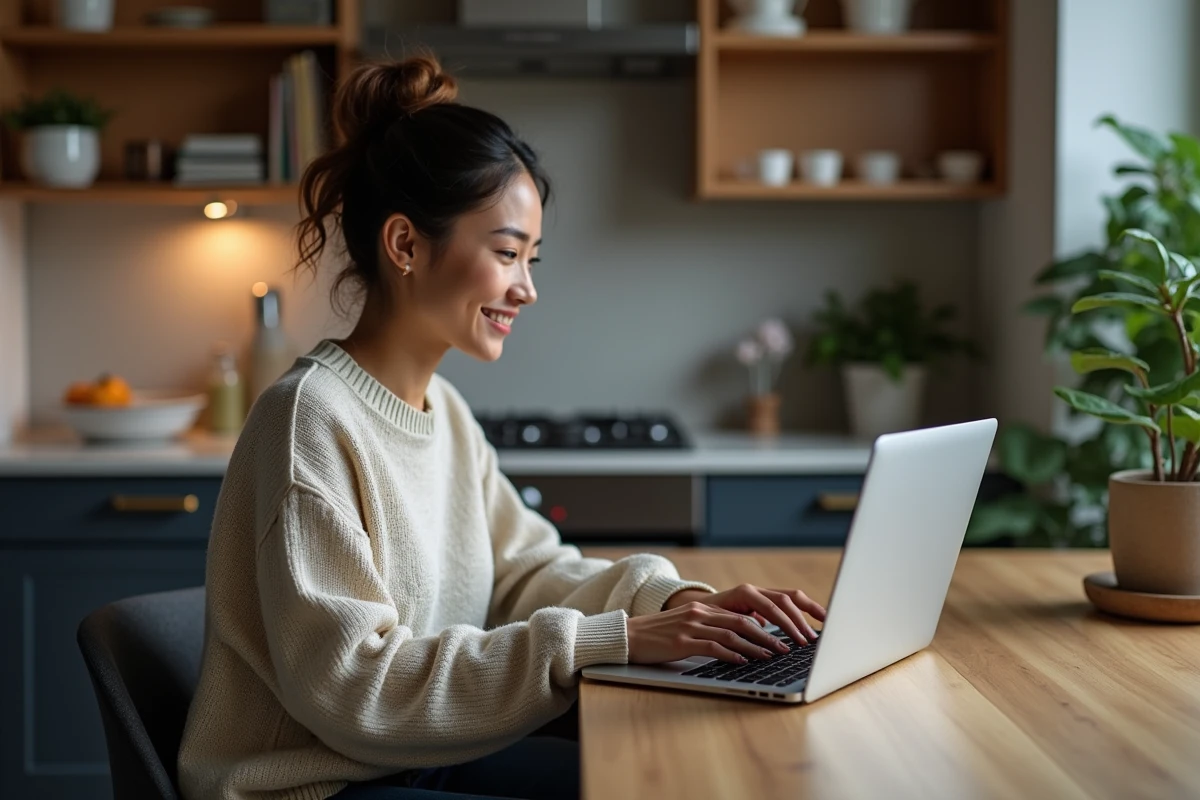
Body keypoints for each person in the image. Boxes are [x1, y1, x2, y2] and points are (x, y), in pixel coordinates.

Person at [178, 55, 826, 800]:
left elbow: (525, 574)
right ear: (405, 245)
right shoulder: (308, 423)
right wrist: (613, 641)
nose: (527, 287)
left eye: (531, 258)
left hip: (415, 757)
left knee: (665, 775)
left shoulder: (443, 414)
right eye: (507, 253)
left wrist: (673, 604)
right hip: (315, 786)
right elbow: (358, 691)